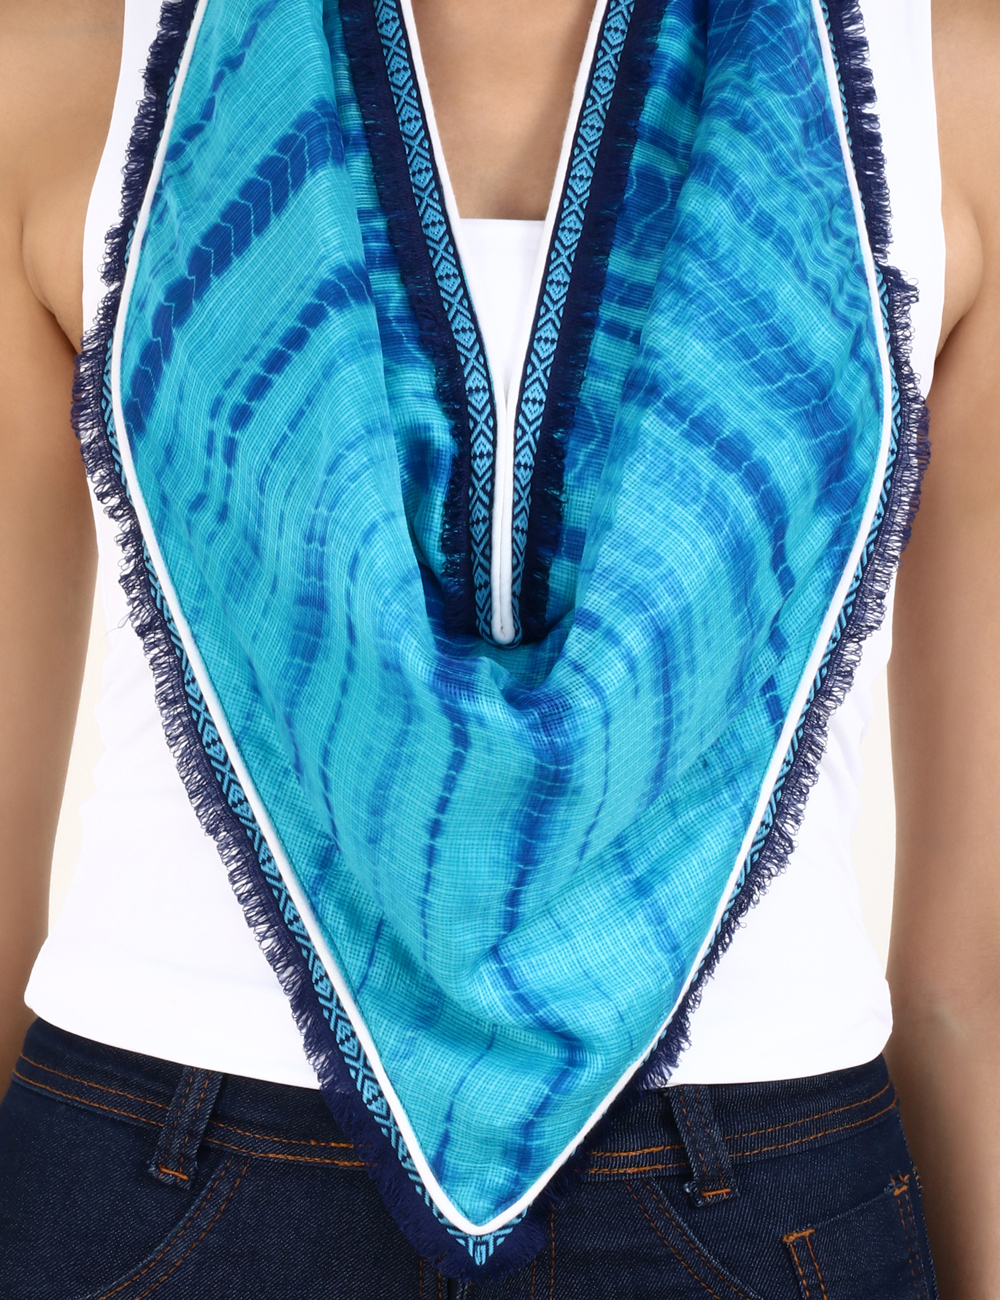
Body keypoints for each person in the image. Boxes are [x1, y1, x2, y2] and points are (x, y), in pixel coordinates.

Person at [0, 0, 996, 1296]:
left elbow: (969, 973)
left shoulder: (953, 90)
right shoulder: (64, 66)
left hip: (742, 1182)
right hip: (172, 1151)